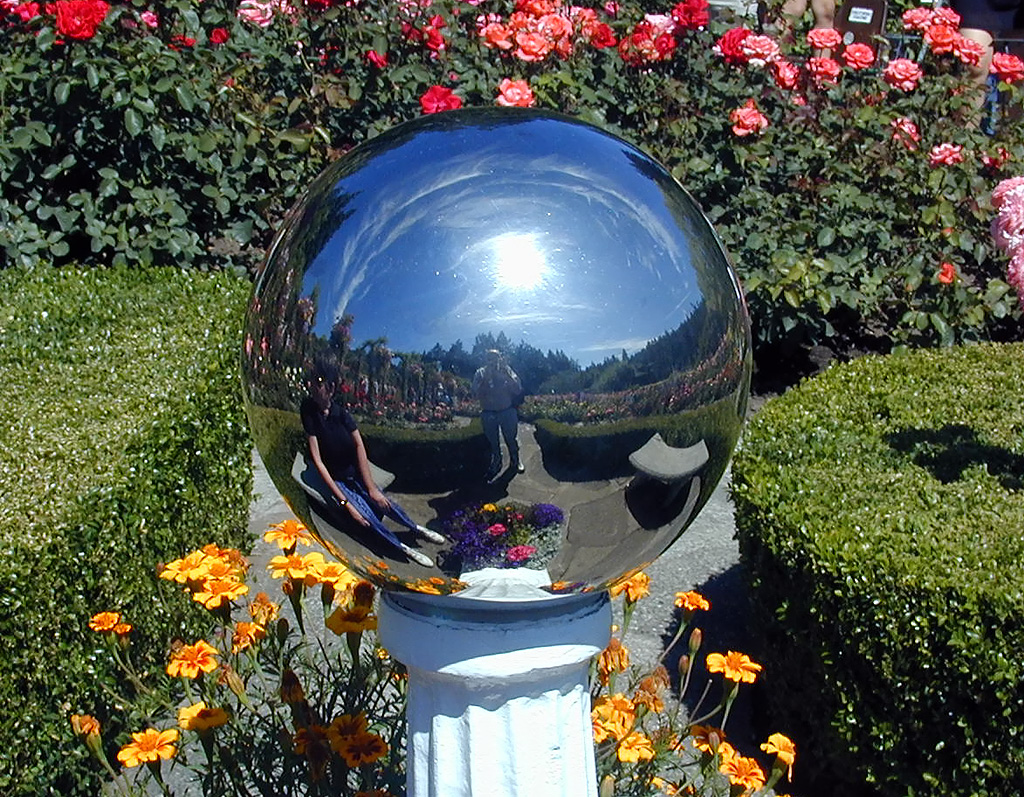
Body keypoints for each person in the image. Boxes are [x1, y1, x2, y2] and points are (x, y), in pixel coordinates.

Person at [301, 364, 443, 567]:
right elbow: (318, 461)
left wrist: (370, 488)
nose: (312, 386)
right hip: (337, 478)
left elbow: (359, 445)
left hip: (354, 473)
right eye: (312, 381)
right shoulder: (309, 411)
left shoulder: (341, 414)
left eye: (319, 382)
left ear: (331, 388)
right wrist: (346, 505)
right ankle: (402, 547)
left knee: (383, 501)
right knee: (365, 517)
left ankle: (415, 528)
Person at [472, 350, 524, 479]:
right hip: (488, 412)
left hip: (507, 410)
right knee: (493, 442)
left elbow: (518, 390)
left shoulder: (507, 370)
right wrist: (485, 380)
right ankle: (496, 462)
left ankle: (515, 460)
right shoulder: (480, 373)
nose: (493, 361)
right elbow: (475, 394)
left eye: (495, 357)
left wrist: (506, 375)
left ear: (500, 358)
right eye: (490, 358)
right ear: (486, 359)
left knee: (511, 439)